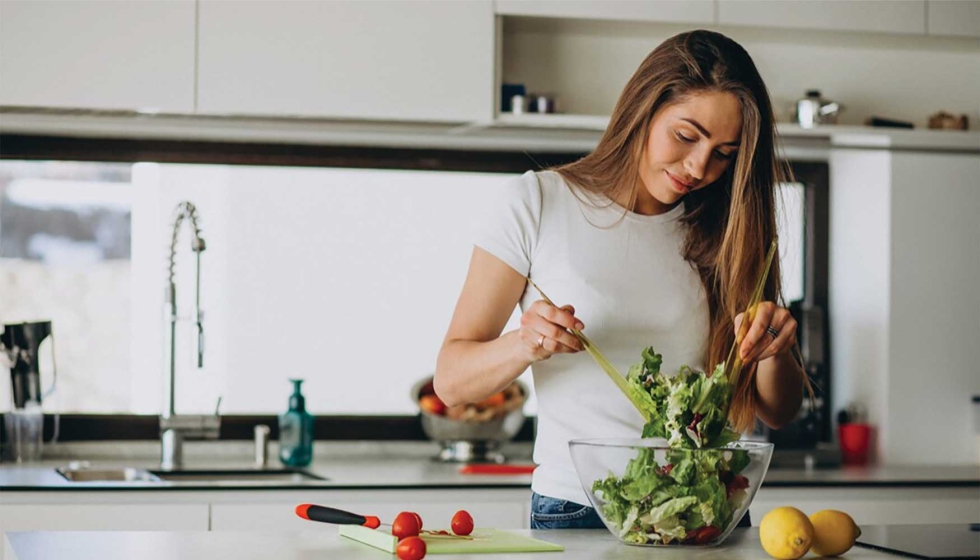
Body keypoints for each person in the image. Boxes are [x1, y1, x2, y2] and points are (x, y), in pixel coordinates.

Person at [434, 30, 808, 530]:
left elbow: (778, 412)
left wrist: (776, 350)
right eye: (686, 136)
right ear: (643, 110)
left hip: (709, 511)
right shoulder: (538, 203)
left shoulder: (730, 229)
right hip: (582, 508)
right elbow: (452, 382)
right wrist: (526, 342)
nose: (700, 167)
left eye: (724, 153)